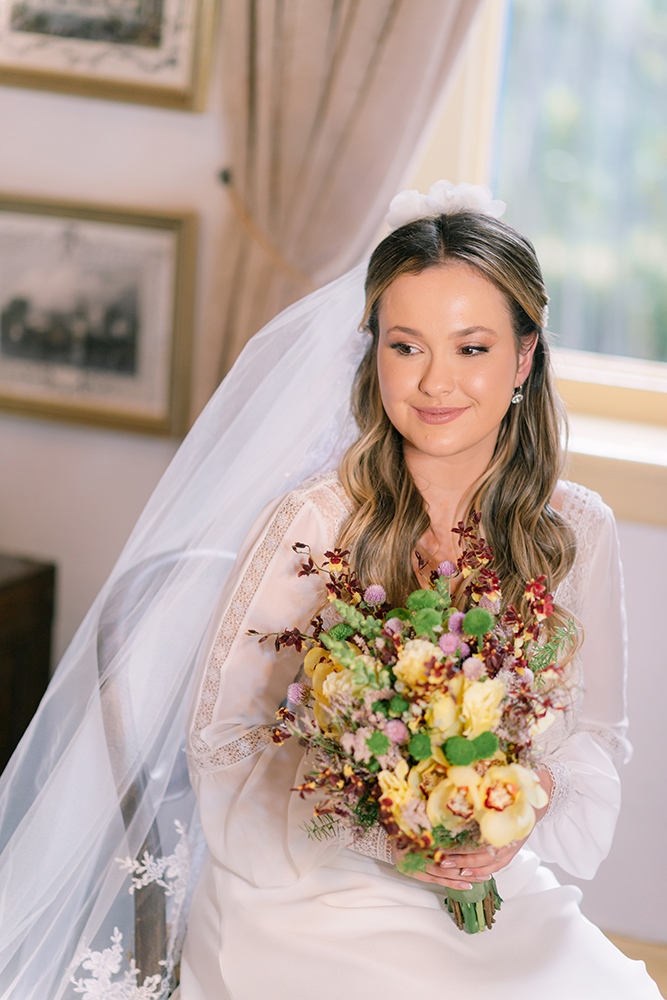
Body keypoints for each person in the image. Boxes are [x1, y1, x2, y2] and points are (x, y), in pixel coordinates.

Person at [0, 183, 660, 1000]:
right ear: (372, 351)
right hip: (302, 892)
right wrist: (388, 826)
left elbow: (594, 736)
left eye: (472, 348)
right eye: (406, 346)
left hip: (483, 892)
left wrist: (517, 811)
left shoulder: (575, 531)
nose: (434, 383)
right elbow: (227, 742)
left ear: (523, 357)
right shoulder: (311, 522)